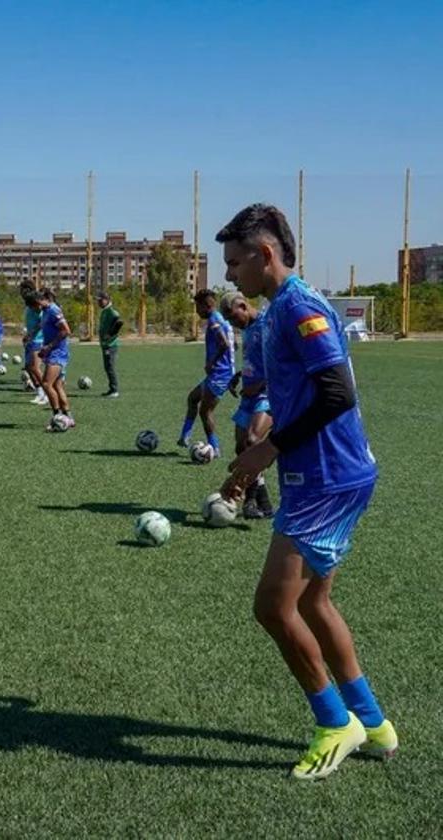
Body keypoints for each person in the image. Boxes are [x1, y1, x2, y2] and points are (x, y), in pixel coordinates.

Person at [218, 203, 395, 780]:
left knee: (273, 606)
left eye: (235, 261)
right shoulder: (270, 317)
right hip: (313, 475)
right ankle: (372, 722)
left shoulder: (299, 306)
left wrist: (268, 449)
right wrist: (253, 455)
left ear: (266, 255)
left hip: (328, 477)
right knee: (314, 602)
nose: (229, 276)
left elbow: (337, 393)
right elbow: (283, 398)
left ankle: (333, 723)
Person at [220, 291, 274, 519]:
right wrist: (240, 375)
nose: (234, 324)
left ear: (243, 305)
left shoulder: (267, 324)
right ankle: (264, 500)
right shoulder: (249, 328)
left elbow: (281, 361)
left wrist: (260, 383)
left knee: (253, 440)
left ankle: (249, 500)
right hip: (249, 394)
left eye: (233, 318)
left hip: (268, 393)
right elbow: (256, 359)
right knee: (241, 447)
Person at [178, 289, 234, 456]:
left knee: (205, 411)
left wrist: (212, 362)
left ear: (206, 305)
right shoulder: (222, 319)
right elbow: (232, 345)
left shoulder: (214, 321)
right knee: (193, 398)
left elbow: (224, 344)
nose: (196, 311)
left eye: (198, 307)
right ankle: (184, 436)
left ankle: (214, 447)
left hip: (220, 374)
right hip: (219, 373)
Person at [37, 288, 73, 425]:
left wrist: (49, 346)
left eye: (39, 301)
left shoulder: (53, 310)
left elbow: (66, 330)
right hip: (52, 352)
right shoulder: (46, 311)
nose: (38, 305)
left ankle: (57, 417)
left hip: (58, 353)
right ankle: (69, 418)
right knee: (57, 385)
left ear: (46, 298)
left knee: (46, 383)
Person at [20, 282, 47, 404]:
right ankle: (40, 393)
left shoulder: (36, 304)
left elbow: (41, 323)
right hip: (30, 339)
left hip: (38, 339)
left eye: (24, 290)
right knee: (29, 368)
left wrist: (31, 334)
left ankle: (47, 393)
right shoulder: (28, 304)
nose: (21, 292)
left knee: (35, 368)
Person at [96, 291, 122, 397]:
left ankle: (114, 390)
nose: (98, 302)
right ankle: (111, 389)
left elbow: (119, 322)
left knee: (110, 366)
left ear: (107, 300)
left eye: (100, 300)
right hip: (105, 344)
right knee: (107, 367)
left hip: (111, 345)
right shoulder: (104, 311)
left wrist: (110, 335)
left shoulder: (111, 311)